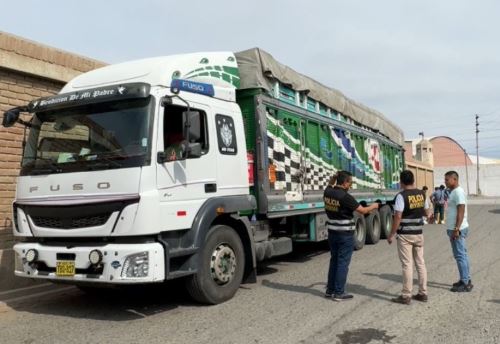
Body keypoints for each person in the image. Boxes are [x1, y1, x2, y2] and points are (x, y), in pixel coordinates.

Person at [323, 170, 380, 301]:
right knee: (342, 263)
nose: (351, 185)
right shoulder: (345, 197)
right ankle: (339, 292)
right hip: (345, 234)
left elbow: (330, 184)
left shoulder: (328, 192)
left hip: (332, 233)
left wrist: (333, 178)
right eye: (350, 182)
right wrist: (374, 206)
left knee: (334, 261)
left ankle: (330, 290)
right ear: (345, 182)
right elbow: (363, 210)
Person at [387, 170, 432, 305]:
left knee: (407, 264)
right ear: (413, 180)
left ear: (401, 182)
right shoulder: (421, 194)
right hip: (418, 233)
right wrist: (427, 215)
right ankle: (423, 293)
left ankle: (406, 295)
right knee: (420, 263)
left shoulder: (401, 196)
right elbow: (427, 212)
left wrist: (392, 233)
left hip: (405, 235)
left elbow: (398, 216)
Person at [444, 171, 473, 292]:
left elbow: (461, 210)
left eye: (447, 180)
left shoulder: (458, 192)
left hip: (458, 229)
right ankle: (465, 279)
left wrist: (456, 228)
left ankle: (465, 283)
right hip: (455, 228)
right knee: (462, 255)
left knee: (460, 255)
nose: (445, 182)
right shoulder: (454, 192)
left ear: (454, 179)